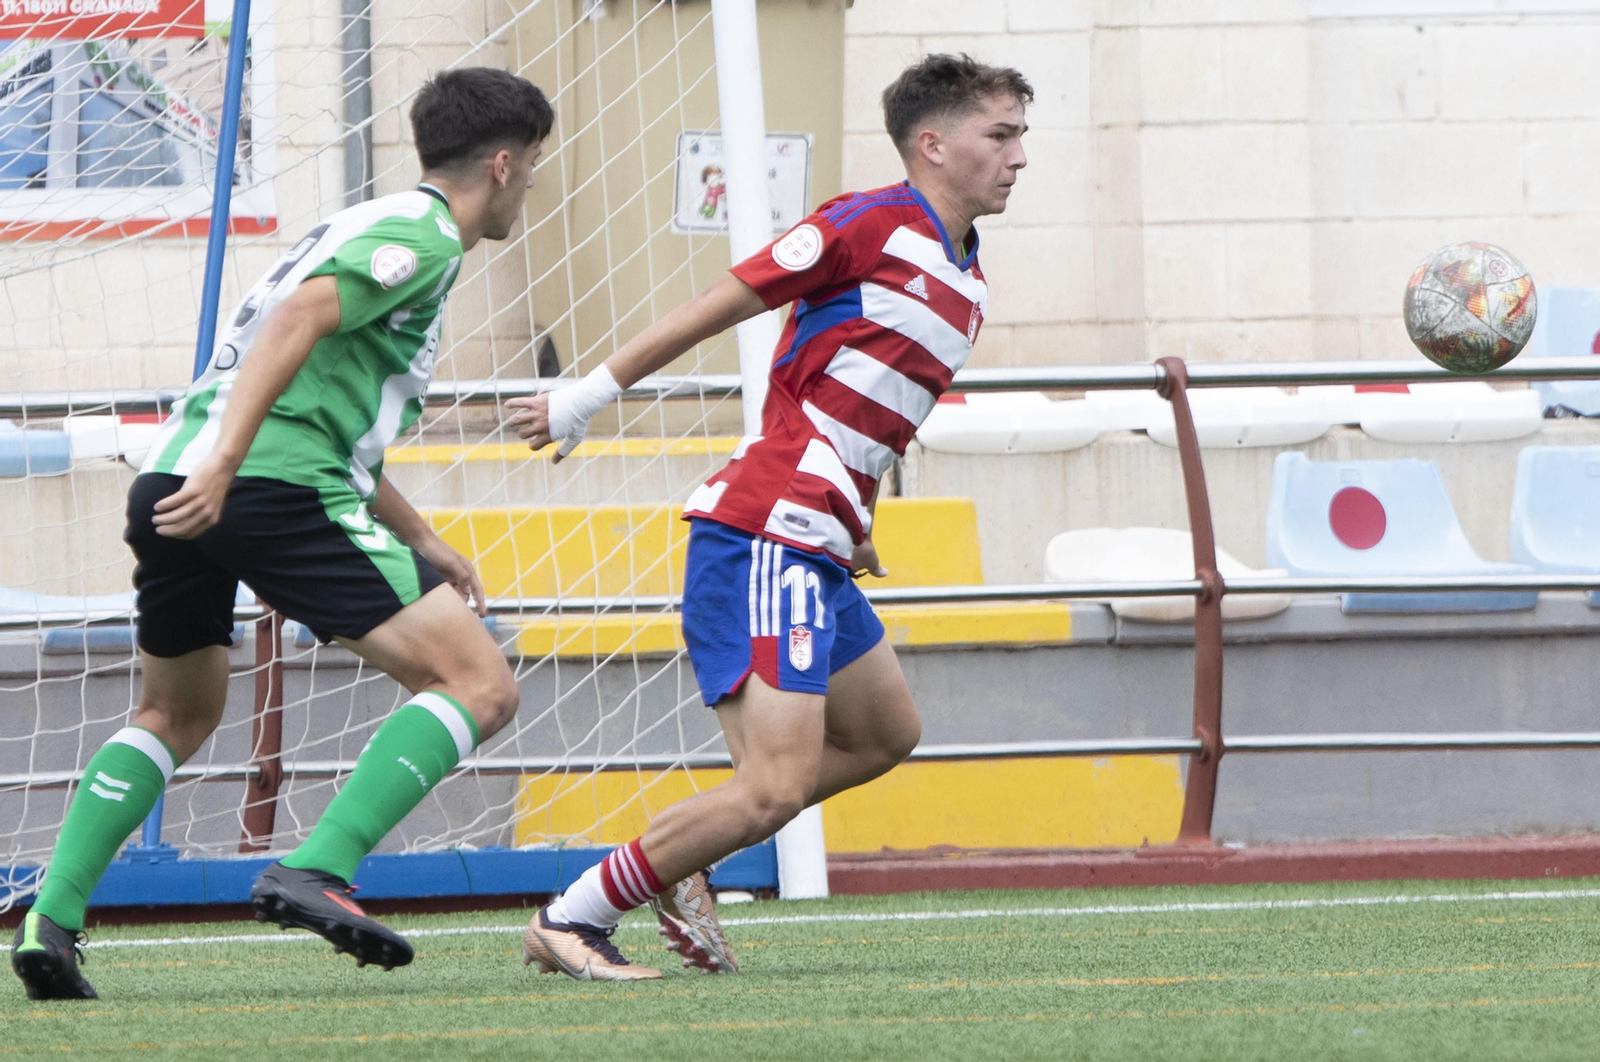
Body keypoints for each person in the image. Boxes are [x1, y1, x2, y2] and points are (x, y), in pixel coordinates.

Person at [11, 67, 554, 1001]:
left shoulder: (361, 223)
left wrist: (421, 537)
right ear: (502, 164)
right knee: (478, 683)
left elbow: (324, 407)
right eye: (535, 163)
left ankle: (49, 921)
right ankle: (318, 867)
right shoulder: (424, 236)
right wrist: (230, 466)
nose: (534, 182)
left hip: (177, 479)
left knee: (175, 714)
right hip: (262, 485)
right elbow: (301, 320)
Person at [507, 53, 1031, 981]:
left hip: (817, 537)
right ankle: (573, 916)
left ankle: (686, 853)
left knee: (884, 735)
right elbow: (717, 306)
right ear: (932, 143)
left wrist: (857, 523)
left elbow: (861, 406)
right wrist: (584, 396)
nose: (1018, 156)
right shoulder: (867, 222)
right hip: (767, 531)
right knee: (773, 787)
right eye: (1000, 135)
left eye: (1020, 136)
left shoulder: (969, 276)